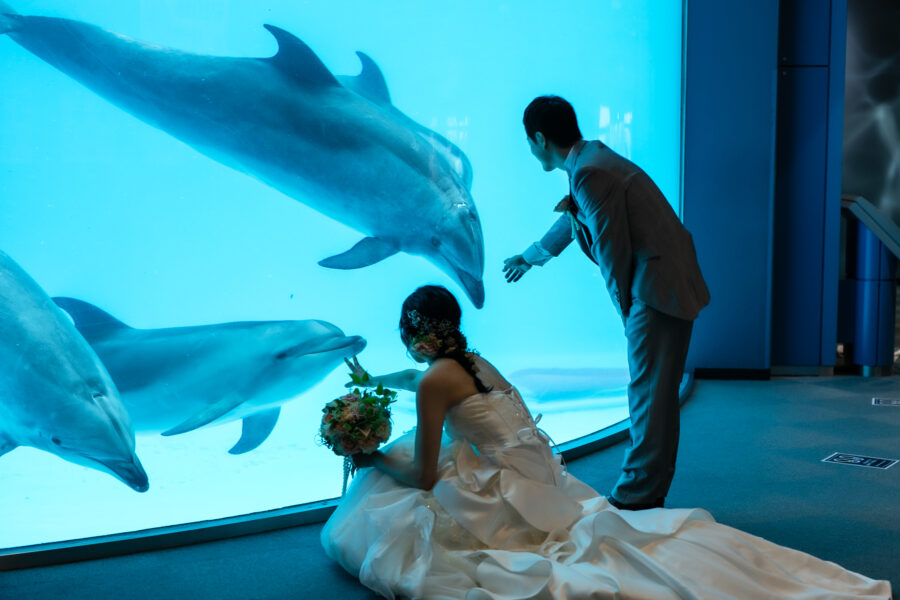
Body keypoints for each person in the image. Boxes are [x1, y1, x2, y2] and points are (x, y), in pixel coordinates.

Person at [320, 285, 890, 599]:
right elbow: (438, 386)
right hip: (539, 475)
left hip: (501, 493)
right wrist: (379, 384)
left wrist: (369, 455)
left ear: (414, 334)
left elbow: (421, 472)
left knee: (387, 486)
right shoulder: (474, 360)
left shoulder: (432, 379)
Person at [503, 95, 710, 511]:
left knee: (648, 393)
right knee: (655, 392)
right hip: (663, 280)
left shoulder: (590, 171)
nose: (529, 151)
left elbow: (612, 250)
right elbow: (575, 217)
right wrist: (531, 257)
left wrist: (627, 313)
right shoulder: (590, 159)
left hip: (655, 289)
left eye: (528, 142)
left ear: (540, 138)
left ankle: (635, 497)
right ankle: (648, 492)